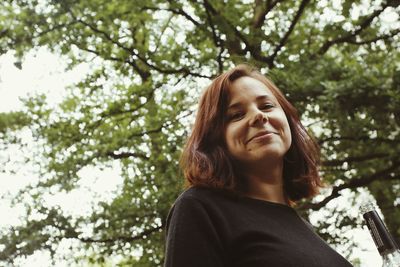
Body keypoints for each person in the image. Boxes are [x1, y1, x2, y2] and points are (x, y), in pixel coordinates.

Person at [163, 64, 353, 267]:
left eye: (267, 106)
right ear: (216, 139)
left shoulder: (304, 230)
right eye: (236, 115)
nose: (258, 116)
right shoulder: (201, 208)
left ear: (287, 120)